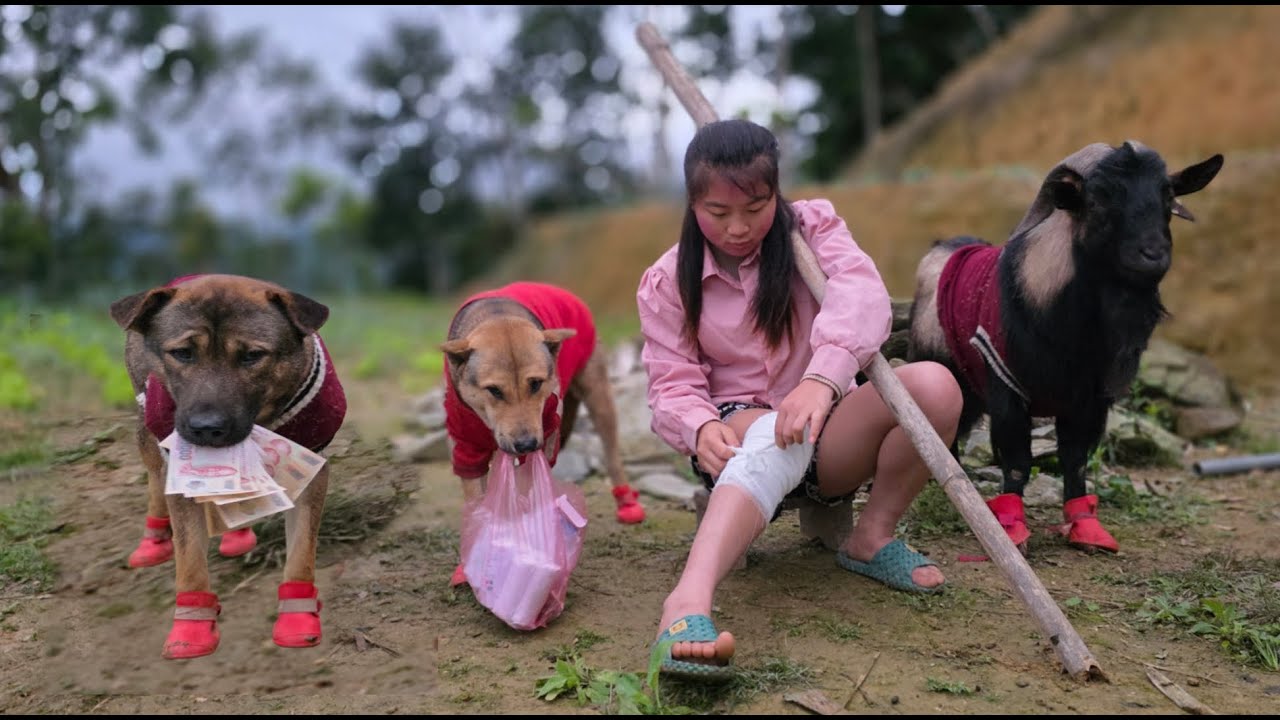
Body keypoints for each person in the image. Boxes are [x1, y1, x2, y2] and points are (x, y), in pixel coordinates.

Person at [636, 118, 963, 679]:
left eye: (756, 207)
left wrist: (822, 378)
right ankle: (685, 605)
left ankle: (870, 537)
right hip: (735, 434)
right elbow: (672, 381)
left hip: (826, 425)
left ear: (776, 192)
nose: (738, 228)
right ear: (692, 205)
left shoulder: (813, 227)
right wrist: (695, 427)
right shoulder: (668, 281)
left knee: (934, 385)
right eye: (718, 213)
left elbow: (862, 297)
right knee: (771, 433)